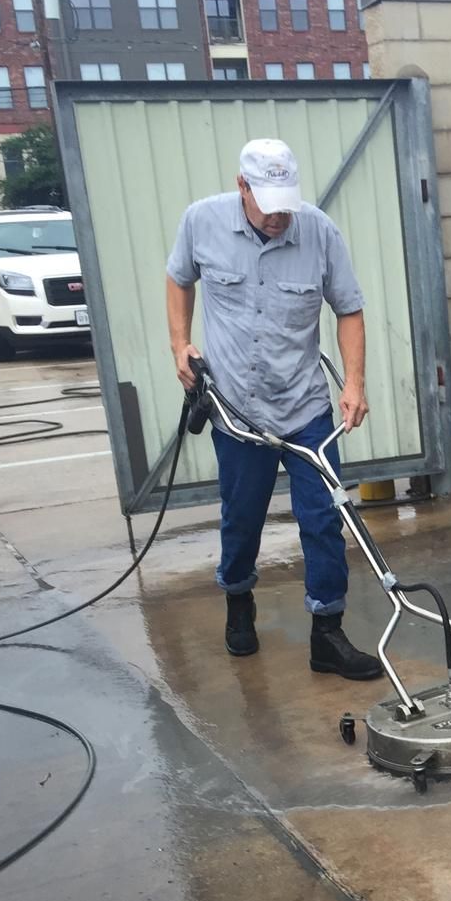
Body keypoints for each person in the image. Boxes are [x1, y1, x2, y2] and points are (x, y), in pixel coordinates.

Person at [166, 138, 383, 679]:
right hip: (236, 413)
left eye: (287, 202)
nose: (280, 216)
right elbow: (178, 278)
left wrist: (354, 383)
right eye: (268, 203)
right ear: (242, 186)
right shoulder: (202, 222)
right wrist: (180, 344)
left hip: (304, 407)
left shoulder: (319, 232)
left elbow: (349, 308)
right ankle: (239, 601)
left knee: (323, 520)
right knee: (242, 521)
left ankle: (326, 634)